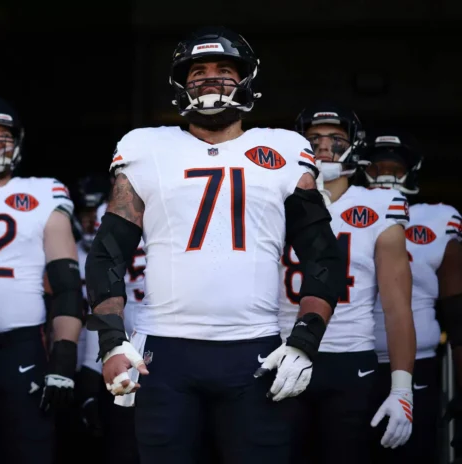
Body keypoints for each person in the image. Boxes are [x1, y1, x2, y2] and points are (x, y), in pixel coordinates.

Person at [84, 26, 346, 464]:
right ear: (180, 84)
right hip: (164, 352)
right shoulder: (146, 146)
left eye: (224, 69)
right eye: (198, 71)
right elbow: (108, 252)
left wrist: (305, 340)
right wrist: (112, 341)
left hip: (255, 350)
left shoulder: (284, 149)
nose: (210, 78)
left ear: (246, 80)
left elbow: (322, 256)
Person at [279, 106, 416, 463]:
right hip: (283, 350)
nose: (324, 147)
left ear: (355, 146)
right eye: (314, 139)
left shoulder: (380, 204)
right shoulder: (273, 198)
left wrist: (402, 389)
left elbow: (397, 307)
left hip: (350, 357)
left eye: (336, 139)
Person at [0, 96, 83, 464]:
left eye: (5, 133)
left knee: (29, 451)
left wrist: (63, 358)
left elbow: (67, 285)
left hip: (21, 345)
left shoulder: (44, 191)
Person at [360, 132, 462, 463]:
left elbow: (456, 313)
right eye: (377, 168)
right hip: (351, 358)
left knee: (413, 454)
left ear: (411, 174)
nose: (386, 176)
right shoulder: (342, 211)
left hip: (419, 363)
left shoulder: (437, 219)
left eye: (395, 169)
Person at [75, 174, 143, 464]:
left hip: (132, 348)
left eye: (97, 211)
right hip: (115, 352)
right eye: (86, 212)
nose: (91, 220)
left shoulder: (128, 240)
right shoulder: (74, 250)